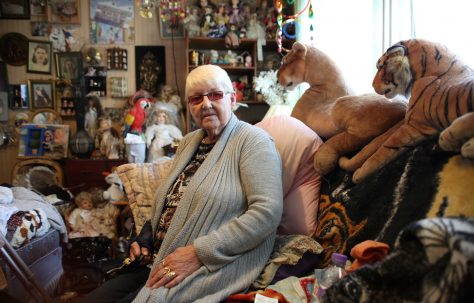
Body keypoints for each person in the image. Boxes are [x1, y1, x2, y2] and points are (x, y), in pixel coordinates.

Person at [81, 64, 283, 303]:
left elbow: (267, 212)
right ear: (189, 107)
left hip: (202, 267)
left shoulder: (254, 142)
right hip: (157, 259)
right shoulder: (189, 142)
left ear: (232, 99)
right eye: (196, 98)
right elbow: (171, 200)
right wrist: (145, 238)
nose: (206, 104)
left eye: (215, 95)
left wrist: (198, 253)